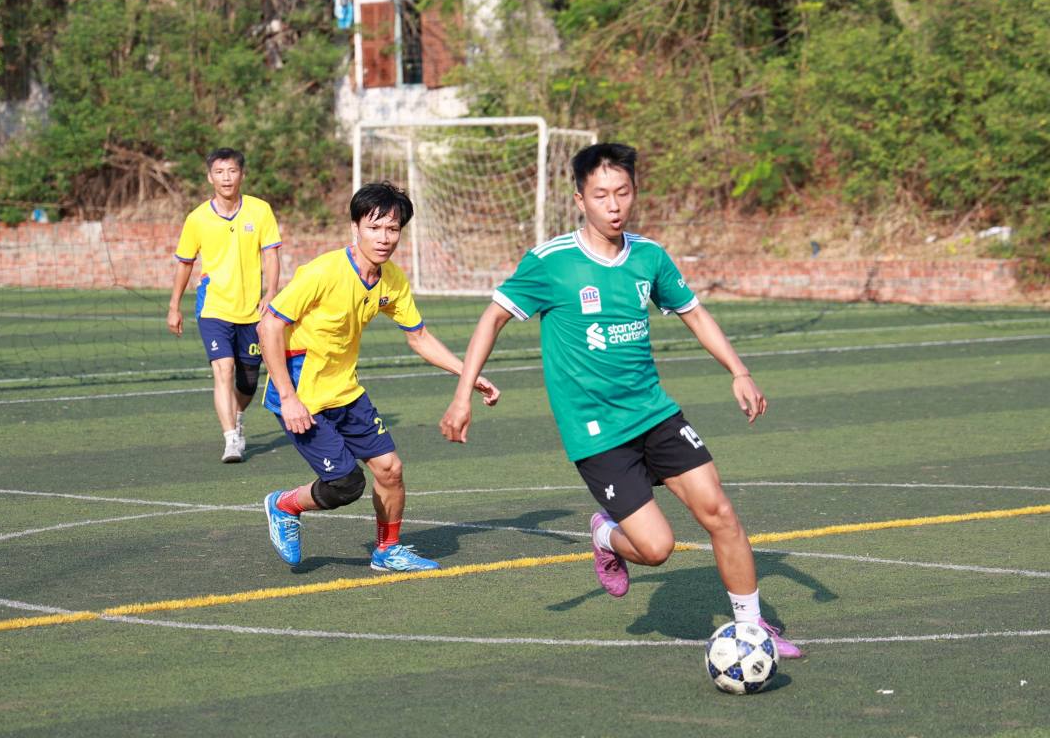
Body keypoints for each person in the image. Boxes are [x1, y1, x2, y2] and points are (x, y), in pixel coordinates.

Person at [439, 143, 803, 658]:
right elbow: (492, 317)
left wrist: (739, 371)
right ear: (579, 199)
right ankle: (607, 538)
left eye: (623, 192)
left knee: (720, 511)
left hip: (654, 413)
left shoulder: (650, 257)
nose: (614, 205)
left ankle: (753, 628)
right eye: (601, 195)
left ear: (634, 193)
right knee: (656, 550)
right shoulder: (551, 263)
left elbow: (694, 313)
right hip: (596, 430)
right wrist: (462, 396)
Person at [259, 181, 500, 572]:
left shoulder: (392, 281)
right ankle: (284, 505)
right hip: (301, 393)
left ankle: (387, 550)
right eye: (375, 227)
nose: (384, 238)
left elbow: (418, 336)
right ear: (355, 228)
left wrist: (467, 374)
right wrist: (288, 397)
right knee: (345, 484)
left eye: (393, 229)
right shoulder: (323, 271)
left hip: (345, 391)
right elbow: (268, 326)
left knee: (390, 469)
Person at [167, 147, 281, 463]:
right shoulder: (197, 218)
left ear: (241, 175)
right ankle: (231, 440)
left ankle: (237, 415)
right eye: (219, 172)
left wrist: (271, 292)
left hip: (252, 311)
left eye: (232, 171)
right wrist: (174, 305)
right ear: (210, 177)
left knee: (247, 381)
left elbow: (271, 255)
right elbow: (184, 263)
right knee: (223, 370)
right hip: (213, 309)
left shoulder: (260, 211)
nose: (226, 178)